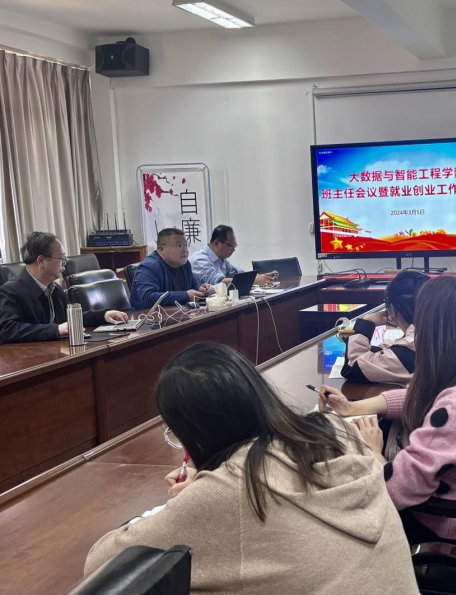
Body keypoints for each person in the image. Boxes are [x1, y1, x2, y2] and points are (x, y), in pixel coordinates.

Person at [84, 343, 419, 595]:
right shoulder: (338, 430)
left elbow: (103, 564)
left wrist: (202, 492)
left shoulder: (233, 490)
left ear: (196, 434)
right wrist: (208, 485)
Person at [319, 276, 456, 546]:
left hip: (448, 534)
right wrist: (352, 407)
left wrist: (373, 451)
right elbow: (417, 397)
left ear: (434, 334)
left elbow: (394, 490)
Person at [0, 232, 128, 345]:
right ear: (41, 261)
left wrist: (103, 315)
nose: (65, 263)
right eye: (61, 258)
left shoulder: (55, 288)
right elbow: (6, 330)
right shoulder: (9, 292)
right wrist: (55, 330)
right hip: (29, 359)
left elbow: (69, 319)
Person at [341, 270, 430, 386]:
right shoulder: (432, 333)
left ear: (392, 308)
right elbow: (394, 351)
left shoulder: (410, 351)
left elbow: (352, 367)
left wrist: (367, 321)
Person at [129, 228, 211, 311]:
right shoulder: (148, 267)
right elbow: (148, 298)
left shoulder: (184, 263)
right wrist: (185, 295)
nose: (185, 250)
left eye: (186, 245)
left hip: (180, 313)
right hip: (150, 316)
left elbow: (193, 283)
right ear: (161, 249)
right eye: (179, 245)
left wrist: (200, 288)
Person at [189, 225, 279, 287]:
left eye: (235, 245)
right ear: (216, 243)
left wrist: (261, 277)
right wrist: (253, 280)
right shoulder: (199, 259)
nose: (233, 249)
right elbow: (219, 283)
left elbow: (238, 273)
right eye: (231, 245)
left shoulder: (221, 259)